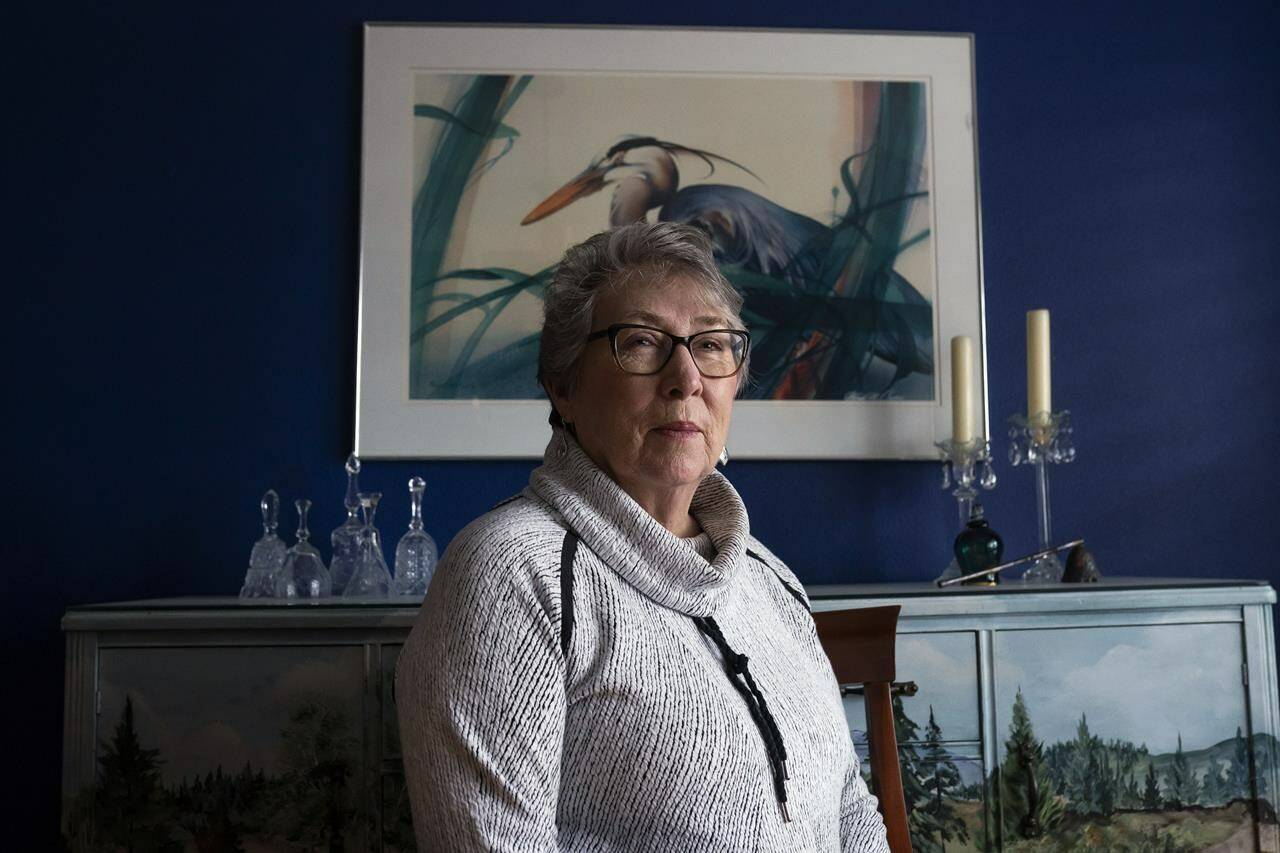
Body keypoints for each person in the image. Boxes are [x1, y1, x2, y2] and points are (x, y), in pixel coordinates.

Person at [396, 221, 890, 851]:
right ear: (564, 386)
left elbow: (850, 808)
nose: (686, 378)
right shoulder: (510, 574)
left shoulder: (773, 583)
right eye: (642, 342)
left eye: (711, 345)